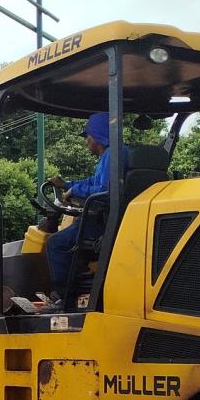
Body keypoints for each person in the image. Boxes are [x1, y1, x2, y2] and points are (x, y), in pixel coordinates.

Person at [43, 111, 119, 307]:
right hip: (110, 218)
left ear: (98, 135)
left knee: (55, 244)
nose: (86, 141)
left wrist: (75, 190)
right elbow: (94, 182)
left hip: (103, 222)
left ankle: (65, 299)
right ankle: (83, 285)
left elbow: (105, 190)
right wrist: (67, 185)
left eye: (88, 136)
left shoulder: (112, 155)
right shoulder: (114, 154)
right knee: (74, 239)